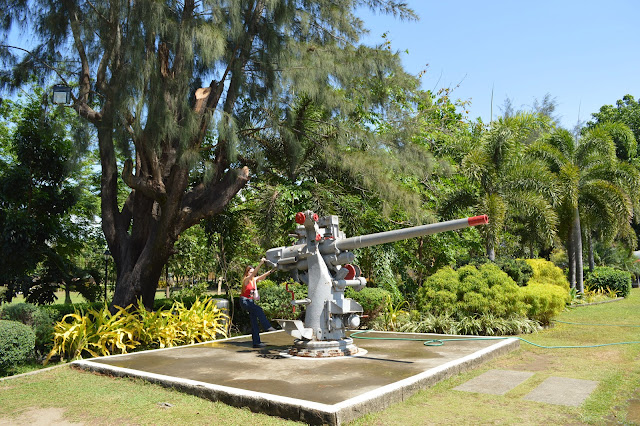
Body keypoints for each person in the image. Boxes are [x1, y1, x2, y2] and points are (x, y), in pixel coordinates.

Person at [240, 258, 276, 348]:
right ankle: (267, 327)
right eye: (250, 272)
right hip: (245, 301)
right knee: (259, 309)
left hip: (250, 301)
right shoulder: (246, 280)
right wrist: (260, 263)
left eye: (252, 272)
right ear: (247, 273)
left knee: (254, 321)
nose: (252, 274)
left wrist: (273, 270)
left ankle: (256, 342)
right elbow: (256, 273)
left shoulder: (253, 280)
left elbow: (263, 276)